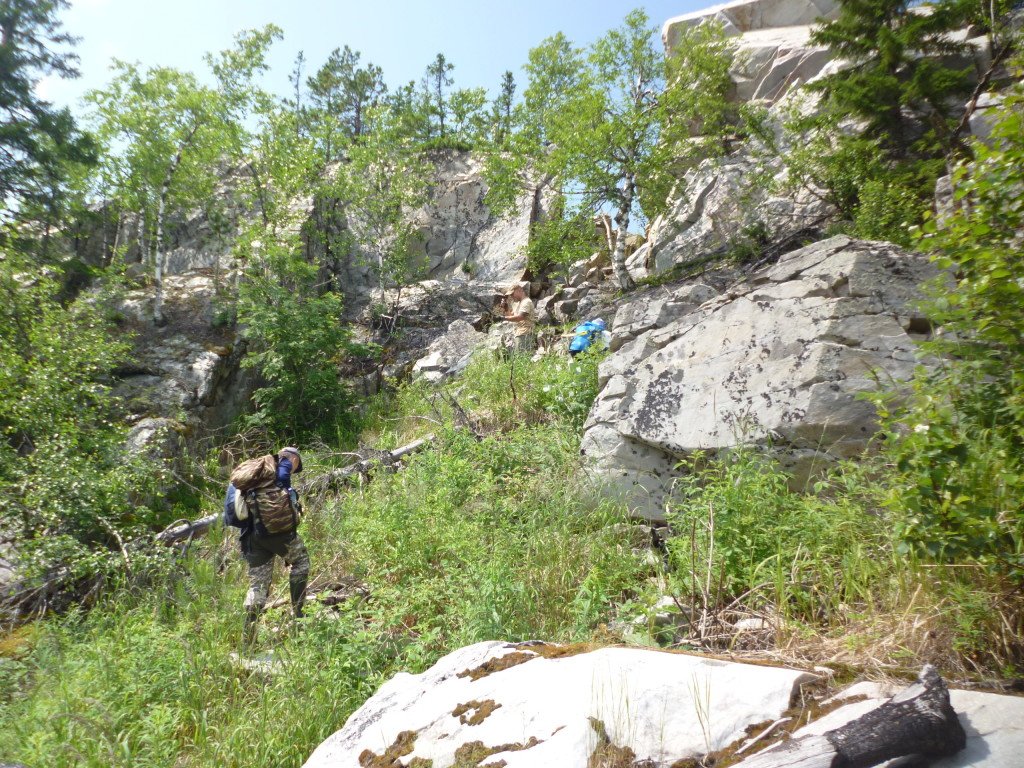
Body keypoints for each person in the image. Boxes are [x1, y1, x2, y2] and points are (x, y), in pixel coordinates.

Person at [223, 446, 309, 647]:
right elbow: (284, 485)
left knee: (258, 586)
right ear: (293, 459)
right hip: (278, 534)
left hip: (252, 537)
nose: (294, 468)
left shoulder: (257, 473)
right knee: (301, 562)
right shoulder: (282, 464)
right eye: (296, 464)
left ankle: (248, 641)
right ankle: (299, 619)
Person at [501, 282, 536, 353]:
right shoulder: (518, 303)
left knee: (522, 356)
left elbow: (520, 317)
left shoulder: (526, 302)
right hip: (519, 333)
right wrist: (505, 308)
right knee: (519, 356)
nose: (511, 296)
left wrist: (502, 318)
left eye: (512, 294)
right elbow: (512, 317)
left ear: (518, 290)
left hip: (525, 333)